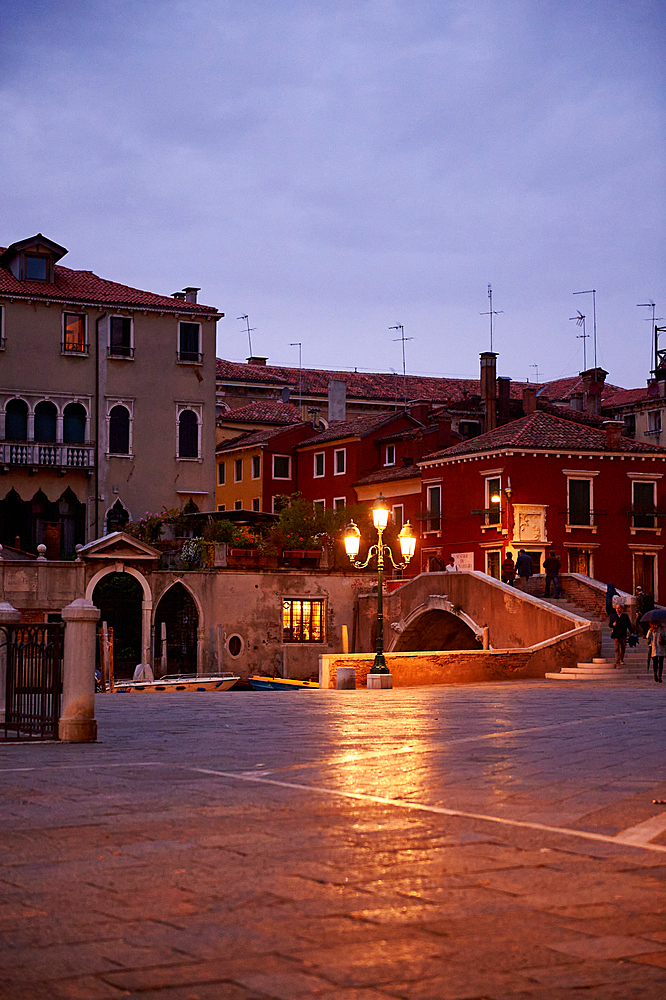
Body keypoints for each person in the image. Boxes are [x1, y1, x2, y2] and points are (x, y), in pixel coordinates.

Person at [609, 603, 632, 668]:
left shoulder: (625, 616)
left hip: (623, 634)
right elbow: (610, 624)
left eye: (619, 608)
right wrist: (613, 624)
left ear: (621, 609)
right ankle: (617, 662)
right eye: (617, 608)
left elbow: (629, 625)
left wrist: (632, 632)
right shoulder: (613, 616)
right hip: (616, 634)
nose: (618, 610)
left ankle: (621, 658)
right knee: (616, 649)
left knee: (623, 648)